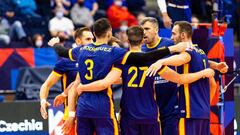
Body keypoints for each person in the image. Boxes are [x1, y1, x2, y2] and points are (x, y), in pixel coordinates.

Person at [48, 18, 190, 135]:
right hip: (123, 110)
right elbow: (146, 59)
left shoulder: (84, 51)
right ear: (109, 33)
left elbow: (62, 52)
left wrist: (55, 44)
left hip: (92, 108)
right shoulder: (116, 54)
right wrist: (173, 50)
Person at [74, 26, 215, 135]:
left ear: (127, 41)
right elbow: (180, 78)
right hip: (150, 114)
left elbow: (106, 82)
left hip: (128, 115)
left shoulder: (121, 62)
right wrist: (205, 71)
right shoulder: (153, 61)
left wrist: (80, 88)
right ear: (143, 41)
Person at [146, 21, 218, 135]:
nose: (171, 37)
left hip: (188, 113)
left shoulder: (187, 52)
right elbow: (213, 85)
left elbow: (181, 64)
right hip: (203, 113)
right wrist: (205, 105)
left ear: (183, 35)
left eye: (174, 34)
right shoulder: (201, 53)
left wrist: (161, 61)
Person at [39, 27, 94, 135]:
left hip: (93, 111)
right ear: (78, 41)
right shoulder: (65, 62)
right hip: (71, 114)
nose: (92, 42)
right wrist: (42, 100)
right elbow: (46, 85)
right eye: (88, 39)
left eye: (93, 39)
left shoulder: (97, 58)